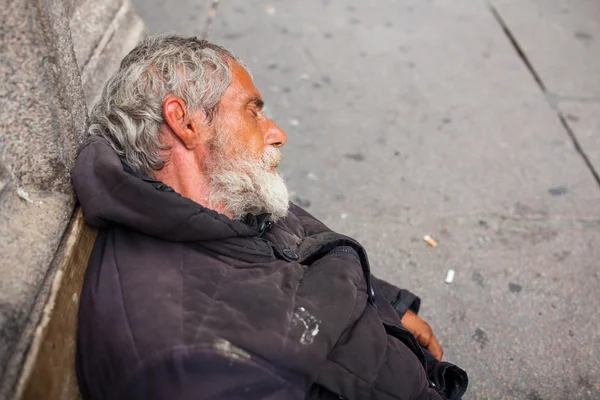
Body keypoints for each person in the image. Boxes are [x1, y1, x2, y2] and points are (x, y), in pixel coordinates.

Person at [73, 34, 468, 400]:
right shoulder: (186, 355)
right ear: (185, 122)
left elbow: (304, 243)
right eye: (252, 112)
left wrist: (389, 307)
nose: (277, 132)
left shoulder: (218, 196)